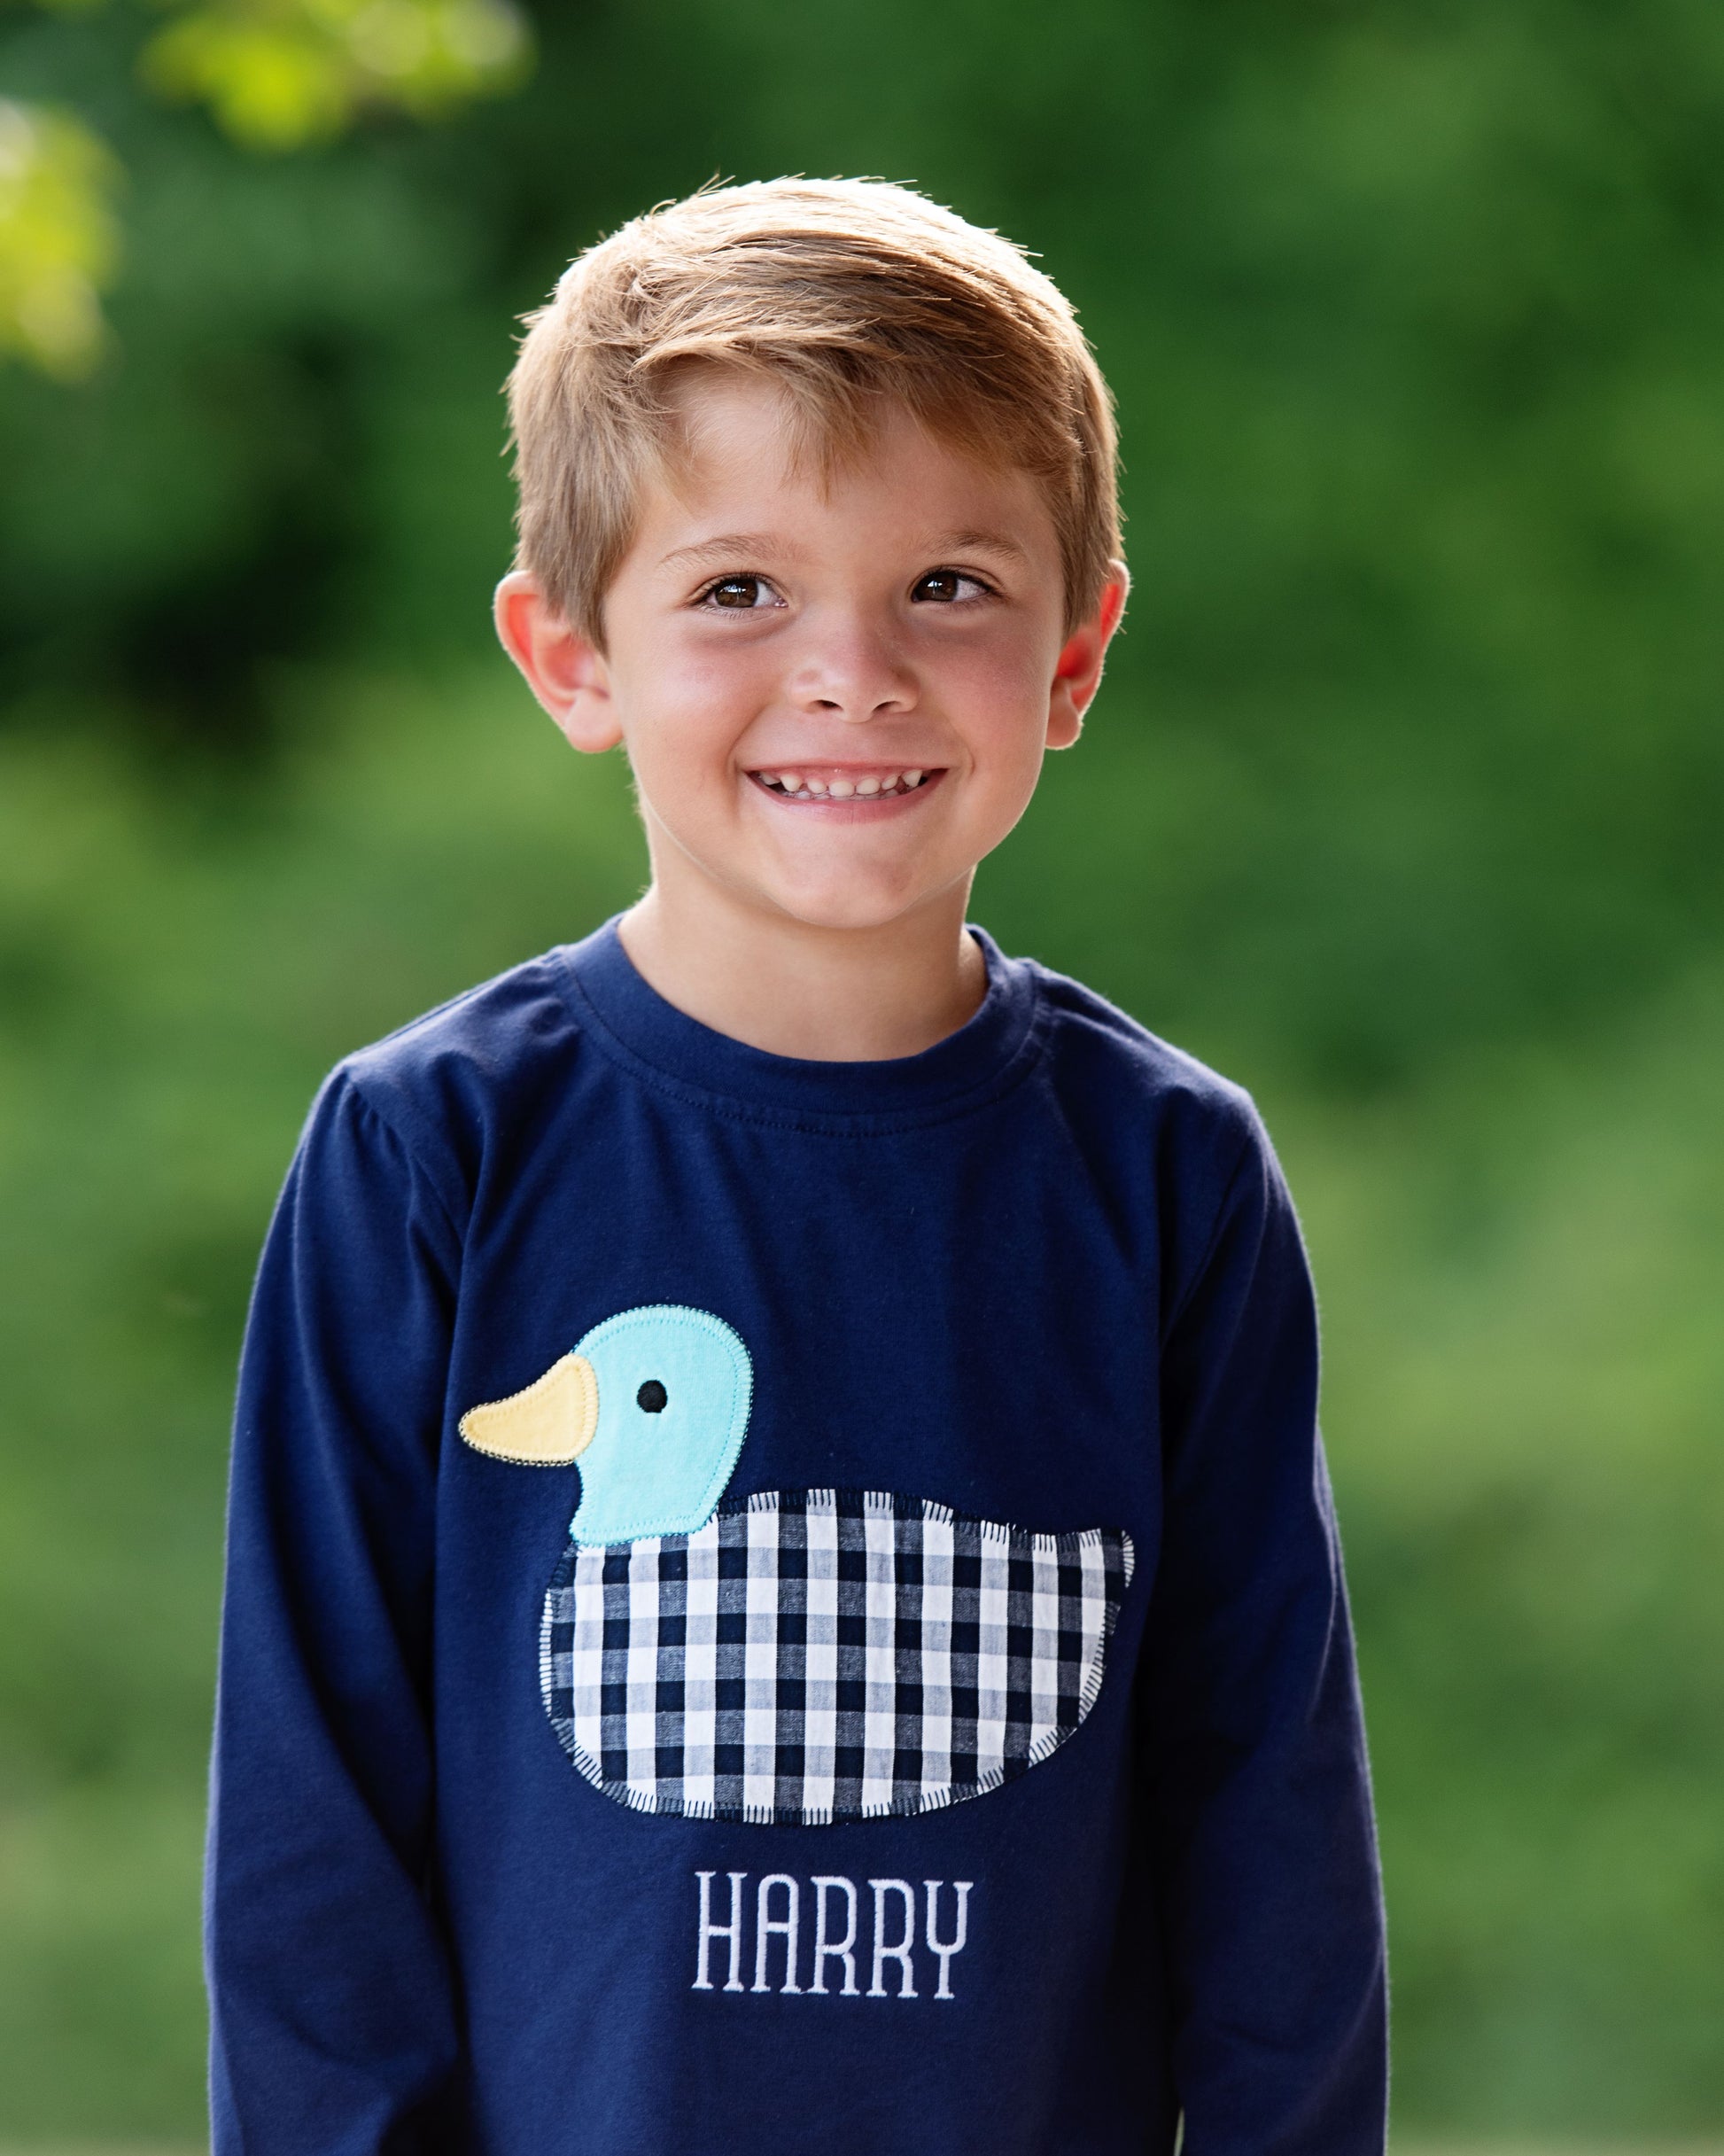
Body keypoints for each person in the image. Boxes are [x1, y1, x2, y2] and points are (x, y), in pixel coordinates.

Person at [205, 178, 1386, 2155]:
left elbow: (1266, 1817)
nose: (852, 670)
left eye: (949, 585)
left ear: (1075, 650)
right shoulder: (426, 1146)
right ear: (572, 655)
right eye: (738, 590)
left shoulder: (1169, 1172)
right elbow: (319, 1833)